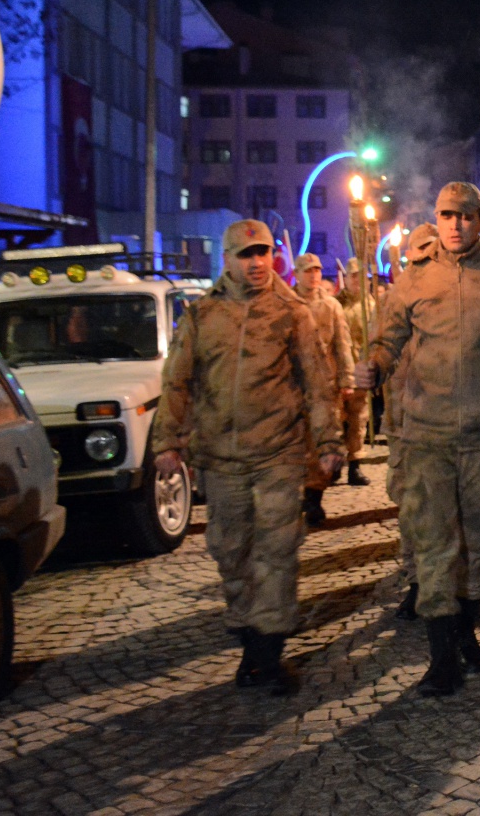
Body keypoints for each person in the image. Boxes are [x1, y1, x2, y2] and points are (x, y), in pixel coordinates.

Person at [354, 183, 480, 697]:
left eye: (465, 216)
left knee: (477, 536)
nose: (455, 224)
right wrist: (374, 364)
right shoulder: (414, 277)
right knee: (437, 541)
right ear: (437, 219)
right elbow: (387, 336)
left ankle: (466, 627)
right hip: (426, 433)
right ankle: (441, 655)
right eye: (446, 215)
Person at [152, 220, 343, 693]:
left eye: (263, 253)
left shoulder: (292, 313)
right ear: (228, 259)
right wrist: (166, 441)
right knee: (230, 550)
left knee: (277, 552)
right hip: (220, 458)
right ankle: (247, 629)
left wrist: (330, 443)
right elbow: (177, 382)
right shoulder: (202, 316)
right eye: (246, 254)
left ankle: (267, 651)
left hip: (278, 453)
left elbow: (318, 384)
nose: (257, 262)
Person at [379, 222, 438, 621]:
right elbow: (379, 351)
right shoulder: (393, 301)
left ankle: (453, 586)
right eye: (418, 254)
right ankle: (417, 581)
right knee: (411, 509)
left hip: (441, 423)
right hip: (402, 425)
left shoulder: (450, 299)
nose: (424, 261)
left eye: (431, 254)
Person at [293, 253, 356, 527]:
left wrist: (347, 379)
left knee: (322, 442)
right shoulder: (287, 305)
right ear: (297, 274)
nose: (313, 275)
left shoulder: (331, 306)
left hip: (325, 386)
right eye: (308, 271)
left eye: (317, 270)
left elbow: (342, 345)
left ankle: (314, 497)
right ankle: (297, 493)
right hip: (293, 388)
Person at [339, 257, 374, 487]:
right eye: (353, 277)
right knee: (336, 421)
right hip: (339, 373)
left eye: (362, 277)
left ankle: (355, 465)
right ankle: (333, 463)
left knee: (358, 420)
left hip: (361, 371)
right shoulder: (336, 304)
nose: (358, 281)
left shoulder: (373, 306)